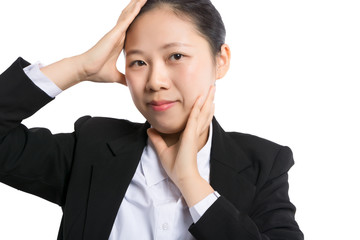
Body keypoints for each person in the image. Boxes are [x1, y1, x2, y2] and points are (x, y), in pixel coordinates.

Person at [0, 0, 303, 239]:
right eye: (138, 62)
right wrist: (79, 68)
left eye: (176, 56)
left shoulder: (263, 162)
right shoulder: (93, 147)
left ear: (220, 60)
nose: (155, 81)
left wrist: (191, 182)